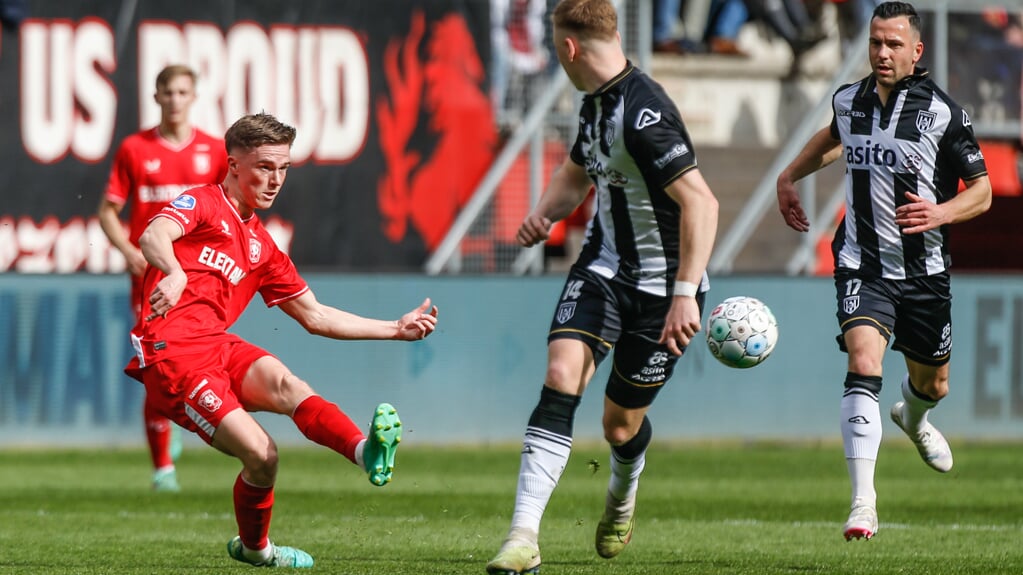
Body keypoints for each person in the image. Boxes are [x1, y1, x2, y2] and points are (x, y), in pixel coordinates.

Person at [124, 112, 439, 568]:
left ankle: (363, 452)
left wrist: (394, 328)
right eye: (265, 167)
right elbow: (155, 234)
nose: (275, 180)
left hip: (217, 344)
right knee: (262, 455)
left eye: (284, 168)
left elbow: (316, 315)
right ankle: (259, 551)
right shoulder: (204, 203)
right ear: (234, 165)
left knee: (289, 386)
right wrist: (173, 272)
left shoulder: (263, 247)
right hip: (172, 356)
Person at [485, 0, 719, 573]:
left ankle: (622, 491)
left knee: (618, 424)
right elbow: (578, 169)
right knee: (561, 374)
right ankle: (523, 537)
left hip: (664, 291)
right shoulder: (593, 103)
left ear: (568, 48)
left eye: (553, 45)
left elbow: (702, 202)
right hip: (603, 269)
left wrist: (686, 292)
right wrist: (545, 212)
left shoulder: (644, 113)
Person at [775, 1, 991, 542]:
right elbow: (833, 137)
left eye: (893, 44)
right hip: (861, 262)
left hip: (924, 270)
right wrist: (788, 177)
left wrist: (942, 211)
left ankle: (913, 418)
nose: (882, 53)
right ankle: (863, 503)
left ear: (916, 51)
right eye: (875, 42)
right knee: (862, 356)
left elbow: (983, 192)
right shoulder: (850, 100)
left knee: (933, 384)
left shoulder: (943, 112)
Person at [98, 64, 229, 492]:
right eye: (167, 92)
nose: (175, 100)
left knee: (205, 363)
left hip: (200, 278)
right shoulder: (135, 149)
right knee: (155, 368)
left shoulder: (213, 152)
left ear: (194, 97)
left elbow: (229, 214)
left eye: (182, 92)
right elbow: (107, 212)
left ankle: (177, 423)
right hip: (152, 277)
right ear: (155, 98)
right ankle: (162, 469)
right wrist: (130, 252)